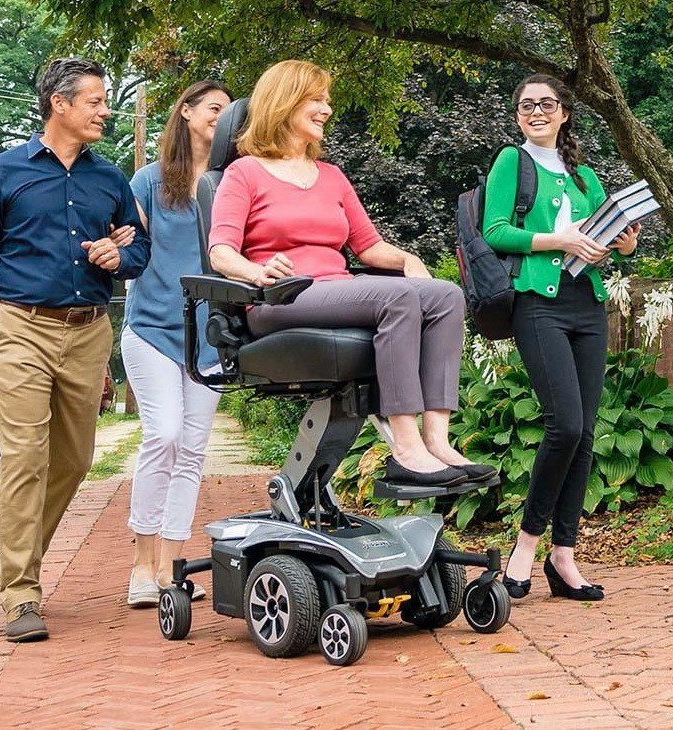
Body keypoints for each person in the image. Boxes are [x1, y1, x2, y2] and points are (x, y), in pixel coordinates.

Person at [207, 59, 495, 487]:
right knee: (397, 298)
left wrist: (406, 260)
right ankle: (405, 448)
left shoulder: (331, 176)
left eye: (327, 101)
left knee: (445, 295)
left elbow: (368, 247)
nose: (327, 110)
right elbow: (220, 252)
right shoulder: (243, 172)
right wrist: (257, 269)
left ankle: (437, 441)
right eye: (317, 100)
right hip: (280, 298)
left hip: (335, 292)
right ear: (285, 103)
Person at [0, 57, 150, 641]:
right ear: (59, 104)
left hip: (88, 331)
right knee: (24, 456)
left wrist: (120, 257)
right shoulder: (3, 173)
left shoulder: (109, 180)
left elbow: (140, 249)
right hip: (19, 327)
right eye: (95, 101)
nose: (105, 111)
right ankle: (21, 593)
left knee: (73, 459)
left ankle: (18, 560)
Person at [482, 74, 639, 602]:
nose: (536, 112)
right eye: (526, 105)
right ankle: (526, 543)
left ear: (565, 113)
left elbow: (603, 234)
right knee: (564, 424)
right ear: (518, 114)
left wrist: (624, 242)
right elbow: (494, 230)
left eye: (546, 104)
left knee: (586, 431)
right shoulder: (512, 162)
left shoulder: (584, 175)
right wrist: (558, 239)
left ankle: (563, 556)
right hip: (538, 304)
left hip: (587, 306)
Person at [122, 81, 232, 607]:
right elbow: (131, 246)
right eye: (214, 107)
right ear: (186, 112)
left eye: (228, 112)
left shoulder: (231, 182)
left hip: (209, 337)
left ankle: (170, 565)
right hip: (152, 329)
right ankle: (140, 564)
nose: (221, 116)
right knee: (162, 436)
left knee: (192, 452)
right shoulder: (148, 181)